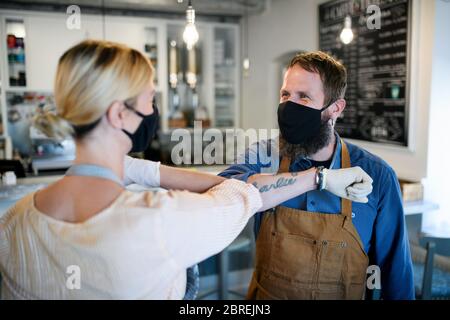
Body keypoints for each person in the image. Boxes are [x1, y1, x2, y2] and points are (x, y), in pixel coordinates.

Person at [0, 41, 372, 299]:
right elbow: (243, 193)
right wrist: (320, 178)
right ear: (119, 114)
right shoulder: (160, 220)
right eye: (150, 99)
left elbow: (232, 185)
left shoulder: (13, 223)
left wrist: (126, 166)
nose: (155, 110)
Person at [219, 51, 414, 300]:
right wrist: (318, 177)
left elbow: (396, 276)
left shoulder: (378, 176)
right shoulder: (264, 155)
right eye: (285, 94)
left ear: (335, 109)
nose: (290, 105)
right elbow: (225, 193)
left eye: (304, 97)